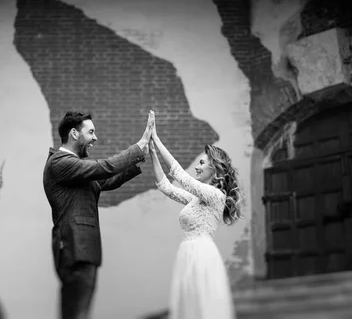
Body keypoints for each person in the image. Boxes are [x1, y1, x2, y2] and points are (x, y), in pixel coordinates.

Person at [43, 111, 153, 319]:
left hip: (81, 250)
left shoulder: (73, 167)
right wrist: (138, 148)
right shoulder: (60, 163)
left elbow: (105, 181)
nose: (95, 137)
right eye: (91, 132)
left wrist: (139, 158)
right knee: (78, 313)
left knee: (76, 313)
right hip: (76, 249)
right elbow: (104, 168)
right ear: (74, 134)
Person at [147, 110, 241, 319]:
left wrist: (157, 138)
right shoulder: (196, 199)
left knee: (202, 307)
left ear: (214, 169)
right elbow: (166, 187)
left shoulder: (216, 195)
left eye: (201, 163)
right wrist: (153, 153)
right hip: (188, 254)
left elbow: (181, 177)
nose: (197, 167)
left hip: (201, 254)